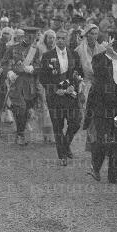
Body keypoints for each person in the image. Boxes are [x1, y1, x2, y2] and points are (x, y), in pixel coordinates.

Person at [84, 37, 117, 184]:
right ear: (110, 45)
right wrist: (106, 53)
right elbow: (98, 75)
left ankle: (114, 174)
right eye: (116, 47)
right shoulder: (98, 59)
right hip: (100, 106)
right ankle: (95, 166)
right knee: (102, 140)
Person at [40, 29, 84, 165]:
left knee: (76, 122)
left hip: (71, 95)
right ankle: (62, 155)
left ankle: (65, 145)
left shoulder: (74, 55)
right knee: (58, 126)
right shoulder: (47, 55)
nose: (59, 40)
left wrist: (75, 85)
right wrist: (54, 90)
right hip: (55, 97)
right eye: (57, 38)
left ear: (67, 40)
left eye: (62, 38)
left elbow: (79, 73)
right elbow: (43, 77)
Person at [1, 29, 41, 145]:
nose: (30, 39)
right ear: (24, 36)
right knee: (21, 108)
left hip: (29, 85)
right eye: (28, 36)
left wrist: (33, 68)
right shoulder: (13, 48)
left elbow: (39, 65)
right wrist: (9, 72)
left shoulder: (35, 50)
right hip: (16, 83)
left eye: (33, 37)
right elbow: (3, 62)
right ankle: (20, 135)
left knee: (26, 109)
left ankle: (20, 131)